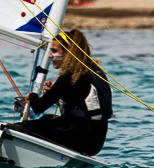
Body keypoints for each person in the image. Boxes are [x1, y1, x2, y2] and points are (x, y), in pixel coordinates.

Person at [8, 29, 113, 157]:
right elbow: (82, 101)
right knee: (47, 119)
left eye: (54, 51)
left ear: (69, 53)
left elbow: (39, 107)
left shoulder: (69, 76)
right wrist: (59, 94)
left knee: (22, 128)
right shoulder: (95, 70)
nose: (50, 55)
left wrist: (32, 96)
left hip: (79, 138)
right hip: (95, 141)